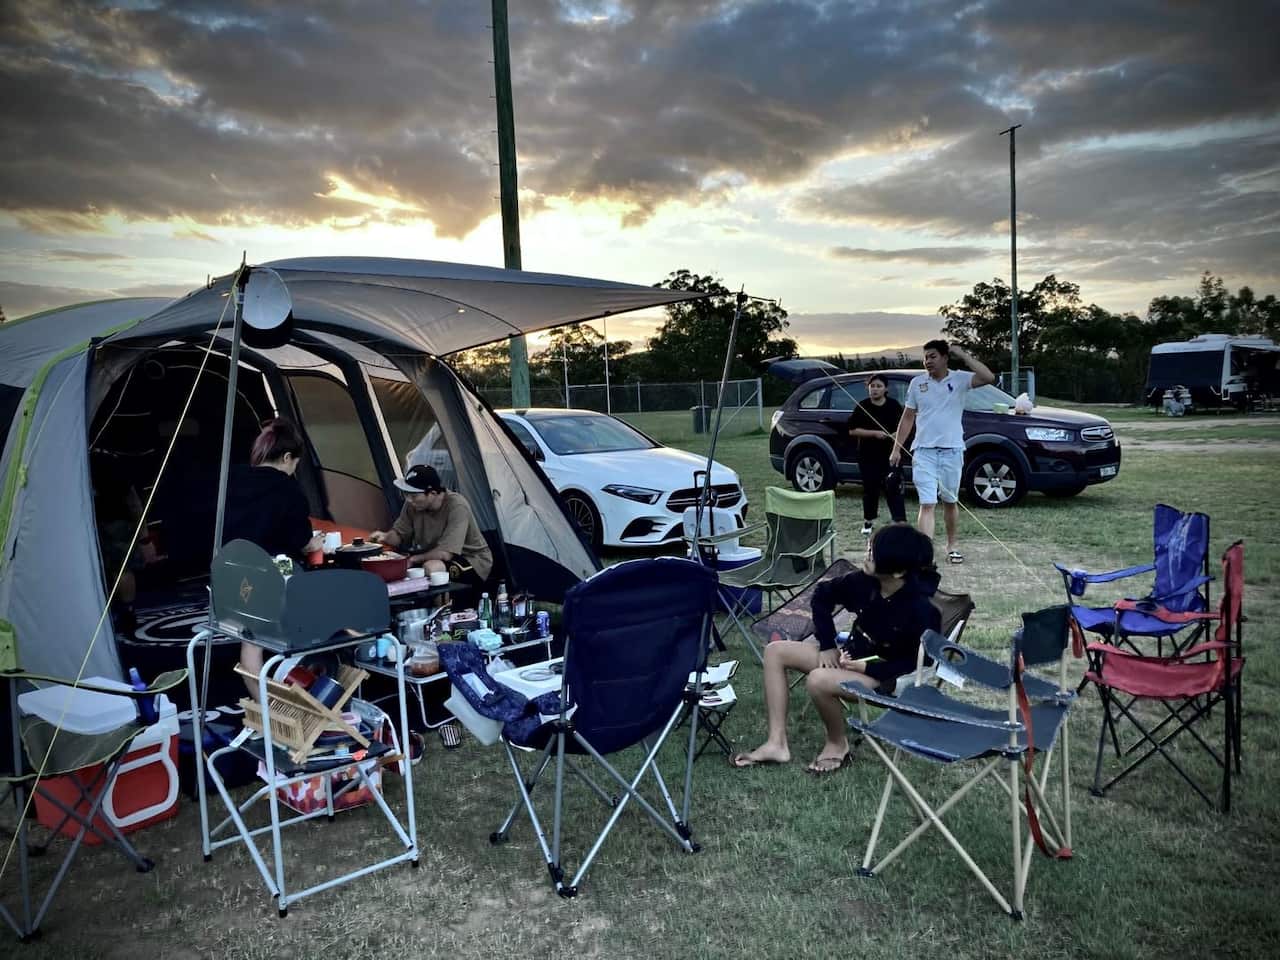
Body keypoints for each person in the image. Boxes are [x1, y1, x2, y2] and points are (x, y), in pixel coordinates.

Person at [730, 524, 941, 775]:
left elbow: (922, 663)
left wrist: (869, 668)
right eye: (869, 548)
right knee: (775, 651)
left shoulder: (922, 610)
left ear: (898, 571)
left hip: (884, 679)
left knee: (818, 679)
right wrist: (828, 645)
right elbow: (822, 595)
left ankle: (837, 743)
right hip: (848, 657)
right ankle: (776, 743)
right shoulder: (864, 582)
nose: (867, 555)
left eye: (874, 553)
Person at [224, 418, 324, 690]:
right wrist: (313, 545)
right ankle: (298, 689)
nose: (294, 470)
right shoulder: (287, 488)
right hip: (272, 571)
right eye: (295, 464)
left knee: (251, 643)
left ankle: (262, 708)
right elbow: (300, 541)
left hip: (231, 571)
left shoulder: (233, 478)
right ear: (287, 457)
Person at [889, 339, 994, 565]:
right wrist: (896, 447)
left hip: (952, 451)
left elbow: (988, 377)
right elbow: (907, 418)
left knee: (950, 501)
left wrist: (963, 355)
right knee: (927, 503)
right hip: (923, 451)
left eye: (933, 356)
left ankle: (952, 545)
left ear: (945, 357)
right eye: (925, 357)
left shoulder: (959, 379)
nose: (928, 361)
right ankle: (925, 556)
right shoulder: (917, 383)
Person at [369, 464, 493, 600]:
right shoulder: (412, 504)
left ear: (432, 493)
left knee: (432, 568)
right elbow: (399, 534)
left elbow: (445, 553)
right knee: (393, 566)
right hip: (431, 555)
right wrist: (385, 537)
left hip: (471, 559)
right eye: (406, 494)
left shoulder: (456, 506)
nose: (409, 500)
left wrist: (413, 560)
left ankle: (441, 614)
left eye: (414, 495)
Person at [848, 374, 907, 537]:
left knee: (894, 486)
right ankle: (868, 521)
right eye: (872, 386)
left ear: (886, 389)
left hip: (891, 455)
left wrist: (896, 435)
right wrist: (874, 433)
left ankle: (899, 522)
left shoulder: (894, 406)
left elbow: (904, 426)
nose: (875, 389)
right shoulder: (862, 406)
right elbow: (853, 430)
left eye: (878, 386)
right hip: (868, 455)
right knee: (870, 488)